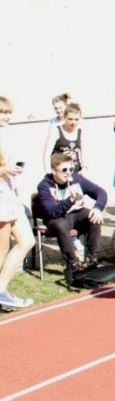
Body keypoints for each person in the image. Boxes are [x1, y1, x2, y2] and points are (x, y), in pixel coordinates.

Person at [37, 153, 108, 272]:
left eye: (71, 169)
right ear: (54, 171)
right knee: (61, 225)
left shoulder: (77, 179)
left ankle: (91, 260)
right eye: (64, 170)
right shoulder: (44, 186)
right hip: (56, 218)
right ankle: (74, 264)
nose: (68, 173)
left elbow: (101, 192)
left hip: (76, 214)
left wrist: (97, 208)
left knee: (93, 217)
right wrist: (69, 200)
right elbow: (51, 211)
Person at [0, 96, 35, 310]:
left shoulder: (5, 135)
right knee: (2, 249)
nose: (6, 116)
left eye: (8, 112)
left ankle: (1, 289)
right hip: (1, 198)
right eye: (2, 112)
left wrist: (12, 169)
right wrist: (4, 170)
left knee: (27, 240)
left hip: (10, 195)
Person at [43, 103, 86, 173]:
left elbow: (83, 151)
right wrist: (48, 173)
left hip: (75, 171)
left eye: (76, 119)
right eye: (70, 119)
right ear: (64, 117)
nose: (73, 122)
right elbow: (46, 154)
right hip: (59, 173)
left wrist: (84, 167)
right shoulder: (56, 130)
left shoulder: (80, 132)